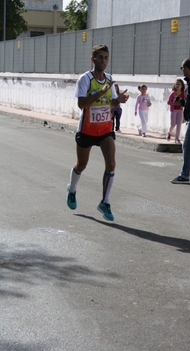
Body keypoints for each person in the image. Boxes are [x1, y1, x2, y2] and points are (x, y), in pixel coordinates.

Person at [66, 44, 129, 221]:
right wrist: (100, 92)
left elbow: (112, 104)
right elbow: (81, 104)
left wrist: (120, 100)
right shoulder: (85, 79)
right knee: (81, 164)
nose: (103, 61)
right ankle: (71, 190)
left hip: (105, 130)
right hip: (86, 130)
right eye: (100, 57)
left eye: (106, 57)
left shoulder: (110, 79)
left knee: (111, 163)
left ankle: (105, 202)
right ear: (93, 59)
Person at [166, 78, 185, 143]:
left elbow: (184, 101)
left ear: (182, 86)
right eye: (176, 84)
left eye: (179, 84)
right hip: (173, 110)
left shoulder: (183, 93)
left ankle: (177, 138)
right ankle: (169, 132)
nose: (177, 85)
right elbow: (168, 102)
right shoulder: (173, 93)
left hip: (180, 110)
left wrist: (182, 105)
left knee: (179, 124)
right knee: (173, 124)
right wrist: (173, 103)